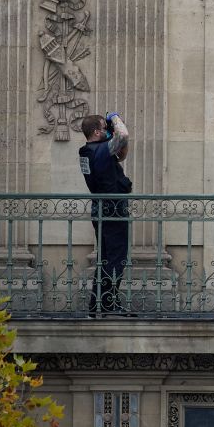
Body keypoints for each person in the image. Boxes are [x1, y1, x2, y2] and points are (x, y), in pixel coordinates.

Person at [79, 112, 131, 315]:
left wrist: (111, 133)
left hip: (101, 208)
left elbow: (122, 153)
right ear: (96, 131)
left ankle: (98, 303)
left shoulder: (89, 151)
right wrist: (116, 119)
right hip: (113, 209)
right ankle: (108, 304)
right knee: (116, 258)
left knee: (106, 258)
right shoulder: (100, 150)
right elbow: (123, 136)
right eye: (104, 127)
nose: (108, 129)